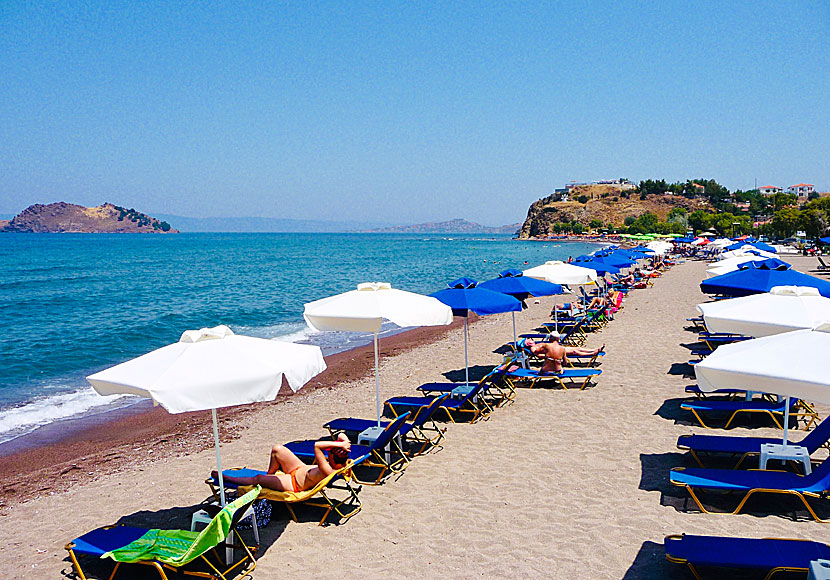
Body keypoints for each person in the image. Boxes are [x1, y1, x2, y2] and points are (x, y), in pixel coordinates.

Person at [212, 433, 352, 492]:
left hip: (294, 483)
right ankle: (270, 477)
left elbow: (317, 446)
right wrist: (344, 443)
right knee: (277, 449)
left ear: (333, 458)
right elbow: (341, 436)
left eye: (330, 452)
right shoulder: (342, 463)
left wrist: (339, 445)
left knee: (258, 478)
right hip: (299, 468)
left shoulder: (327, 470)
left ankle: (227, 478)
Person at [523, 337, 604, 373]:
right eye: (529, 340)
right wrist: (547, 355)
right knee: (575, 351)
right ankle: (592, 353)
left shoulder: (538, 344)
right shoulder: (533, 348)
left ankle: (593, 350)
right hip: (557, 351)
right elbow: (537, 354)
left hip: (557, 349)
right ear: (527, 344)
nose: (531, 340)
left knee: (577, 348)